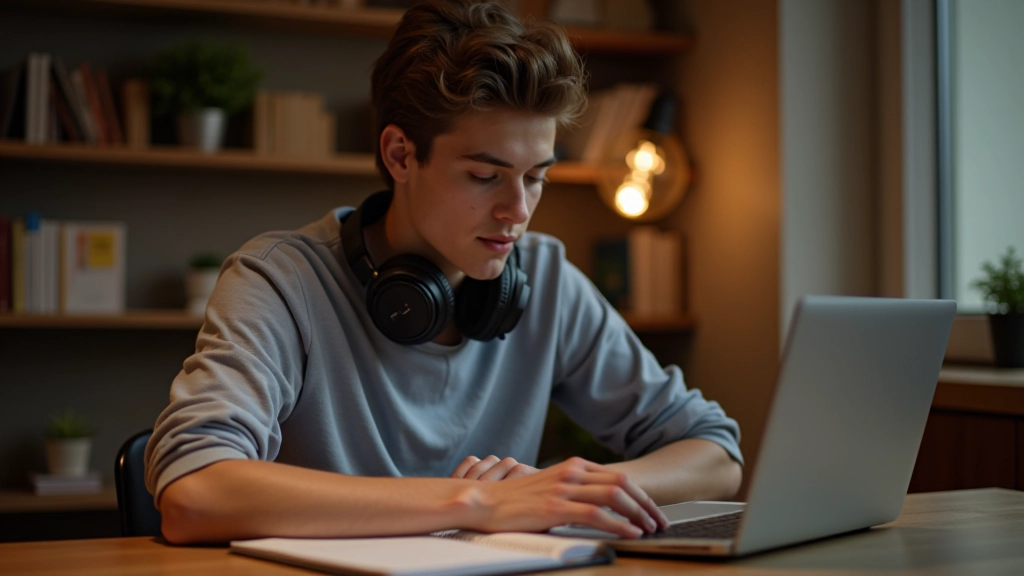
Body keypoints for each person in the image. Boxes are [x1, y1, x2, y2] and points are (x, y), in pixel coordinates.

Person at [146, 0, 743, 545]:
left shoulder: (547, 277)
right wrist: (481, 501)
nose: (518, 211)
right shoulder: (279, 281)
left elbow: (716, 453)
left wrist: (578, 491)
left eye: (536, 176)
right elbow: (194, 493)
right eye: (486, 176)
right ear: (400, 154)